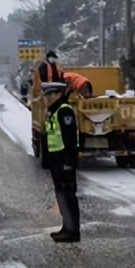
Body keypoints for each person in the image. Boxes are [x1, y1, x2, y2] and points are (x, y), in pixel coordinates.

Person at [41, 81, 81, 243]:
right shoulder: (54, 111)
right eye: (46, 95)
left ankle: (73, 231)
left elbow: (70, 139)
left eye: (50, 94)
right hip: (56, 160)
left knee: (68, 195)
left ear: (58, 94)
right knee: (61, 195)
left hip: (64, 161)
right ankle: (66, 227)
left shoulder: (64, 111)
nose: (47, 98)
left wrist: (69, 162)